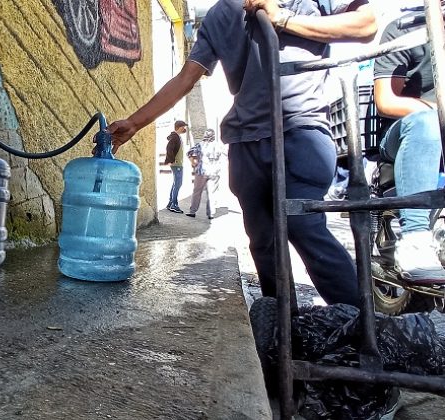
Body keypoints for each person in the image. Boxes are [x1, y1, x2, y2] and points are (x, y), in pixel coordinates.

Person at [107, 0, 377, 306]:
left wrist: (283, 19)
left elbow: (366, 25)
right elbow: (185, 78)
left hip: (300, 130)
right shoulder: (222, 14)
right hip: (245, 141)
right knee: (262, 241)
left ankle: (363, 329)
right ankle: (284, 329)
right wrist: (134, 123)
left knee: (303, 225)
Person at [373, 15, 445, 283]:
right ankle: (415, 239)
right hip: (406, 132)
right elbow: (386, 100)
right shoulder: (405, 29)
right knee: (427, 123)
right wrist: (440, 112)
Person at [186, 128, 223, 219]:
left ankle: (192, 211)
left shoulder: (200, 145)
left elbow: (189, 153)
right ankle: (210, 213)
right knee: (212, 193)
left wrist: (193, 162)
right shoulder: (218, 146)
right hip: (214, 172)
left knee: (197, 192)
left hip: (201, 171)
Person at [164, 120, 188, 213]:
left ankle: (170, 203)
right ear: (179, 127)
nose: (184, 128)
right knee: (178, 183)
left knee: (176, 183)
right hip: (177, 164)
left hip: (178, 164)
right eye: (183, 127)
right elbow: (169, 148)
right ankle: (174, 205)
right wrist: (172, 160)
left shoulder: (177, 136)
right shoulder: (175, 137)